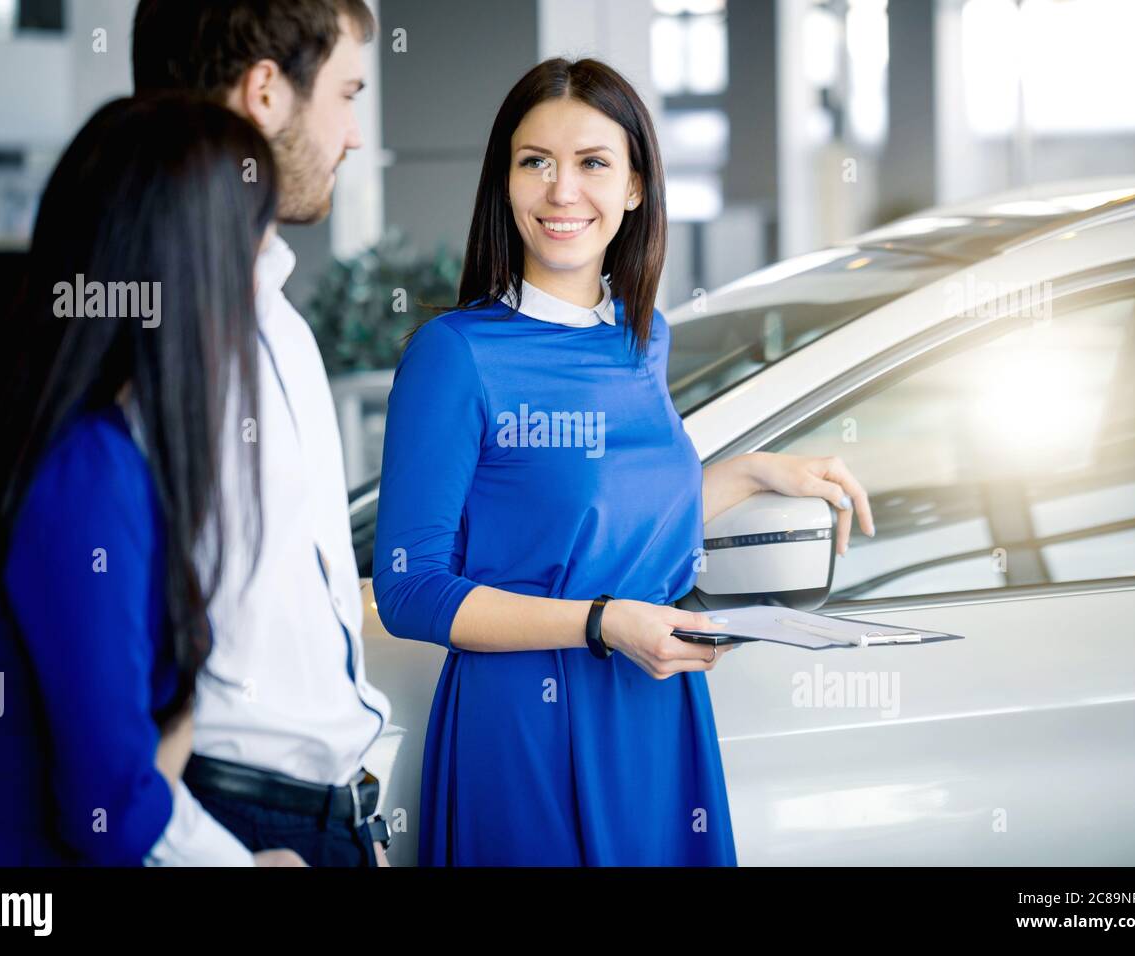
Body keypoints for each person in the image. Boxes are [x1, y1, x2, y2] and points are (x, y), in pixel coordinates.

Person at [372, 58, 877, 866]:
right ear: (505, 183)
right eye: (535, 162)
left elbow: (612, 526)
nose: (561, 191)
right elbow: (409, 590)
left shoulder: (643, 340)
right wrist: (603, 623)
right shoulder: (455, 355)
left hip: (653, 707)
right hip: (526, 727)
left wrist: (750, 474)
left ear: (636, 187)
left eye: (593, 164)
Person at [0, 95, 276, 865]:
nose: (261, 285)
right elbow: (107, 806)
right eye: (256, 250)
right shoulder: (84, 467)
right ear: (196, 267)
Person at [131, 0, 392, 867]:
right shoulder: (154, 341)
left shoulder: (280, 322)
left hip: (332, 818)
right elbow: (95, 692)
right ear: (267, 93)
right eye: (347, 95)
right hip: (237, 823)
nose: (354, 136)